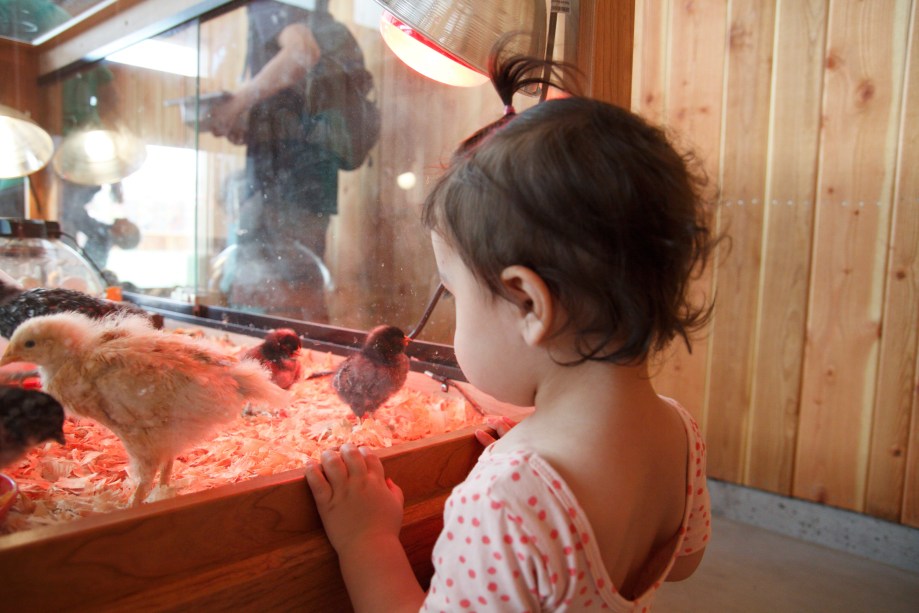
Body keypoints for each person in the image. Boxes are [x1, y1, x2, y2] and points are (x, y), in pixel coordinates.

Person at [304, 46, 718, 612]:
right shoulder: (678, 432)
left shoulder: (506, 499)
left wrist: (366, 540)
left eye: (454, 293)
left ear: (529, 304)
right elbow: (685, 561)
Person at [209, 0, 378, 322]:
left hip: (284, 188)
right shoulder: (331, 27)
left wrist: (236, 104)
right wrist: (252, 122)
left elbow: (301, 51)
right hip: (309, 189)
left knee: (271, 296)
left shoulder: (273, 7)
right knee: (301, 293)